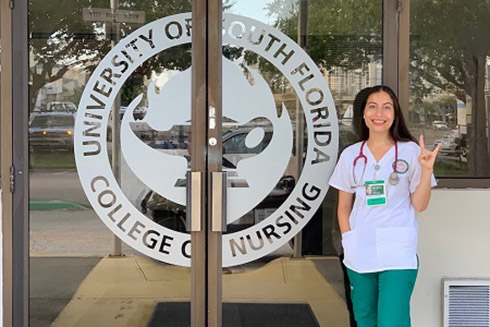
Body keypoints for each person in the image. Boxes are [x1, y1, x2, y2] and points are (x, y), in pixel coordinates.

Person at [329, 85, 440, 327]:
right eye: (373, 107)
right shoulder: (351, 155)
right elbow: (343, 207)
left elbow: (420, 205)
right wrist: (349, 240)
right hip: (360, 250)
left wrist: (426, 170)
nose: (379, 113)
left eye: (386, 107)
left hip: (397, 253)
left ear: (395, 114)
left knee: (392, 321)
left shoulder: (411, 152)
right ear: (363, 114)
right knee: (365, 319)